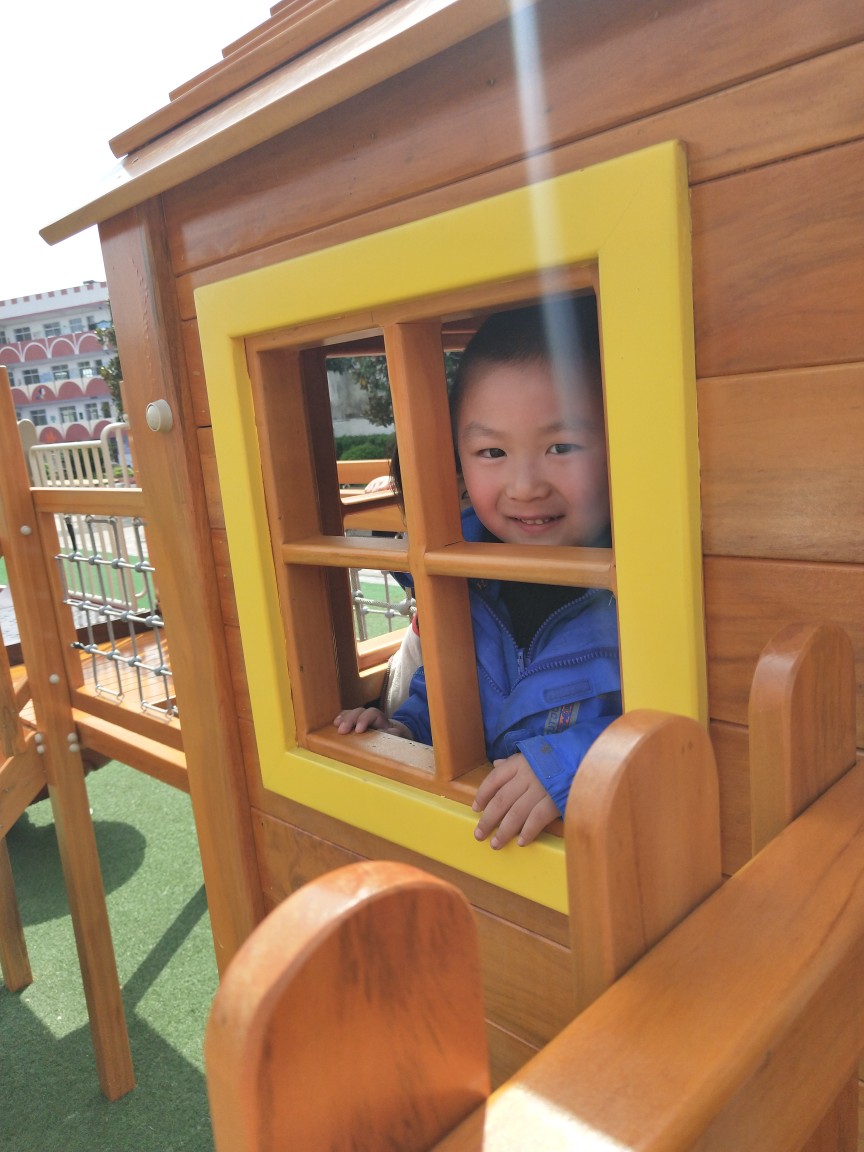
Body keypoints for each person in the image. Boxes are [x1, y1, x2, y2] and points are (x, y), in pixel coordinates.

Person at [334, 297, 621, 849]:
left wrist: (569, 764)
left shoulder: (649, 578)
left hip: (584, 855)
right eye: (492, 452)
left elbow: (676, 718)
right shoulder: (456, 570)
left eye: (561, 446)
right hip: (468, 840)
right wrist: (405, 729)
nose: (525, 486)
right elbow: (445, 691)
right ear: (458, 459)